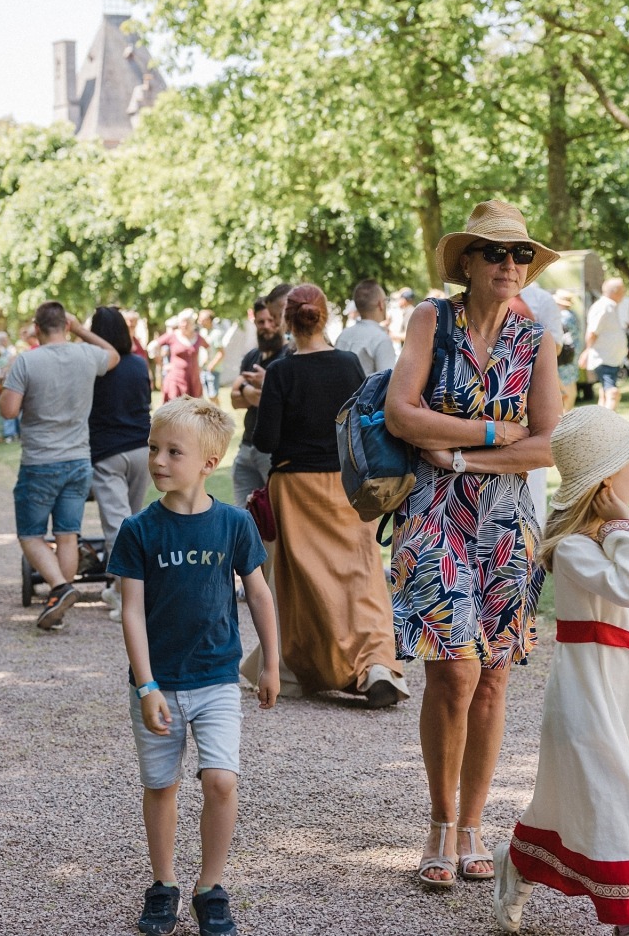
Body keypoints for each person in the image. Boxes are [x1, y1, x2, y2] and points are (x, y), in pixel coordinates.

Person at [384, 199, 562, 889]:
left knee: (490, 677)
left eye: (520, 255)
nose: (510, 265)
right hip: (433, 520)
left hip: (507, 523)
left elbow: (547, 442)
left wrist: (456, 452)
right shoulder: (433, 319)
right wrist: (493, 434)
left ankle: (472, 826)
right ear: (466, 260)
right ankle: (437, 820)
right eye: (494, 253)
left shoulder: (536, 335)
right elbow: (403, 414)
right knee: (452, 671)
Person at [493, 406, 629, 936]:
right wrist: (624, 523)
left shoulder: (604, 541)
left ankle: (521, 862)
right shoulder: (574, 547)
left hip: (618, 686)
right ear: (605, 484)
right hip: (583, 690)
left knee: (566, 797)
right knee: (616, 791)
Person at [108, 397, 280, 936]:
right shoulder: (138, 530)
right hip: (158, 686)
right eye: (154, 448)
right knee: (161, 785)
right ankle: (163, 885)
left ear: (208, 463)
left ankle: (210, 887)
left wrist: (271, 662)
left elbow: (260, 596)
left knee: (221, 780)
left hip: (216, 681)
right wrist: (146, 684)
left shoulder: (234, 524)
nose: (158, 460)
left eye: (173, 451)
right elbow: (131, 612)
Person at [251, 284, 409, 708]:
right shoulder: (348, 364)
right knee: (362, 574)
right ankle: (377, 664)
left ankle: (307, 669)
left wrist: (259, 399)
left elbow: (264, 440)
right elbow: (362, 421)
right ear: (324, 318)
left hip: (296, 488)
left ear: (288, 320)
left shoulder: (282, 373)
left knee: (306, 582)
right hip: (348, 487)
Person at [0, 301, 119, 630]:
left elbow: (8, 411)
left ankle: (60, 588)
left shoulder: (27, 361)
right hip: (79, 458)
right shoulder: (86, 355)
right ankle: (59, 601)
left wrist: (4, 384)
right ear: (65, 325)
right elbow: (114, 354)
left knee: (31, 534)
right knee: (68, 535)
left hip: (41, 460)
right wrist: (81, 330)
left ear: (36, 329)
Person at [87, 306, 153, 623]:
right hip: (142, 450)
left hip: (107, 453)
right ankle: (118, 586)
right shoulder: (139, 365)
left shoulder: (95, 370)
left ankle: (131, 599)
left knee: (118, 528)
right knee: (133, 522)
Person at [228, 298, 290, 508]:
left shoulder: (287, 358)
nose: (267, 327)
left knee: (277, 515)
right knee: (244, 516)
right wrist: (250, 390)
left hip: (273, 451)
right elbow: (235, 400)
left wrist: (249, 390)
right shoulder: (251, 357)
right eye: (261, 322)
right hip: (246, 446)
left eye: (272, 321)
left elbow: (268, 402)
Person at [582, 278, 629, 410]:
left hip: (610, 358)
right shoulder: (603, 306)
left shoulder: (610, 306)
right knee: (612, 393)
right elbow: (592, 332)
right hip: (604, 357)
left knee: (604, 393)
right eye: (623, 290)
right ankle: (607, 426)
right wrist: (587, 351)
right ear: (615, 291)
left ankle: (600, 425)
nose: (624, 294)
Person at [334, 278, 397, 375]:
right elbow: (388, 384)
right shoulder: (381, 339)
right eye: (385, 300)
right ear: (380, 304)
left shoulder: (343, 335)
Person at [151, 313, 209, 402]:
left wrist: (203, 363)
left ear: (192, 324)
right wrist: (161, 364)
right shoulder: (172, 336)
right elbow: (152, 346)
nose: (185, 325)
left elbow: (209, 349)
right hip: (177, 378)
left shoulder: (197, 337)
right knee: (176, 405)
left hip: (193, 378)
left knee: (194, 407)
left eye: (187, 323)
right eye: (183, 323)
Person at [555, 290, 582, 412]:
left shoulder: (564, 316)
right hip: (572, 353)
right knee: (570, 382)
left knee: (566, 384)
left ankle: (565, 413)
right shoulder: (572, 314)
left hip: (565, 355)